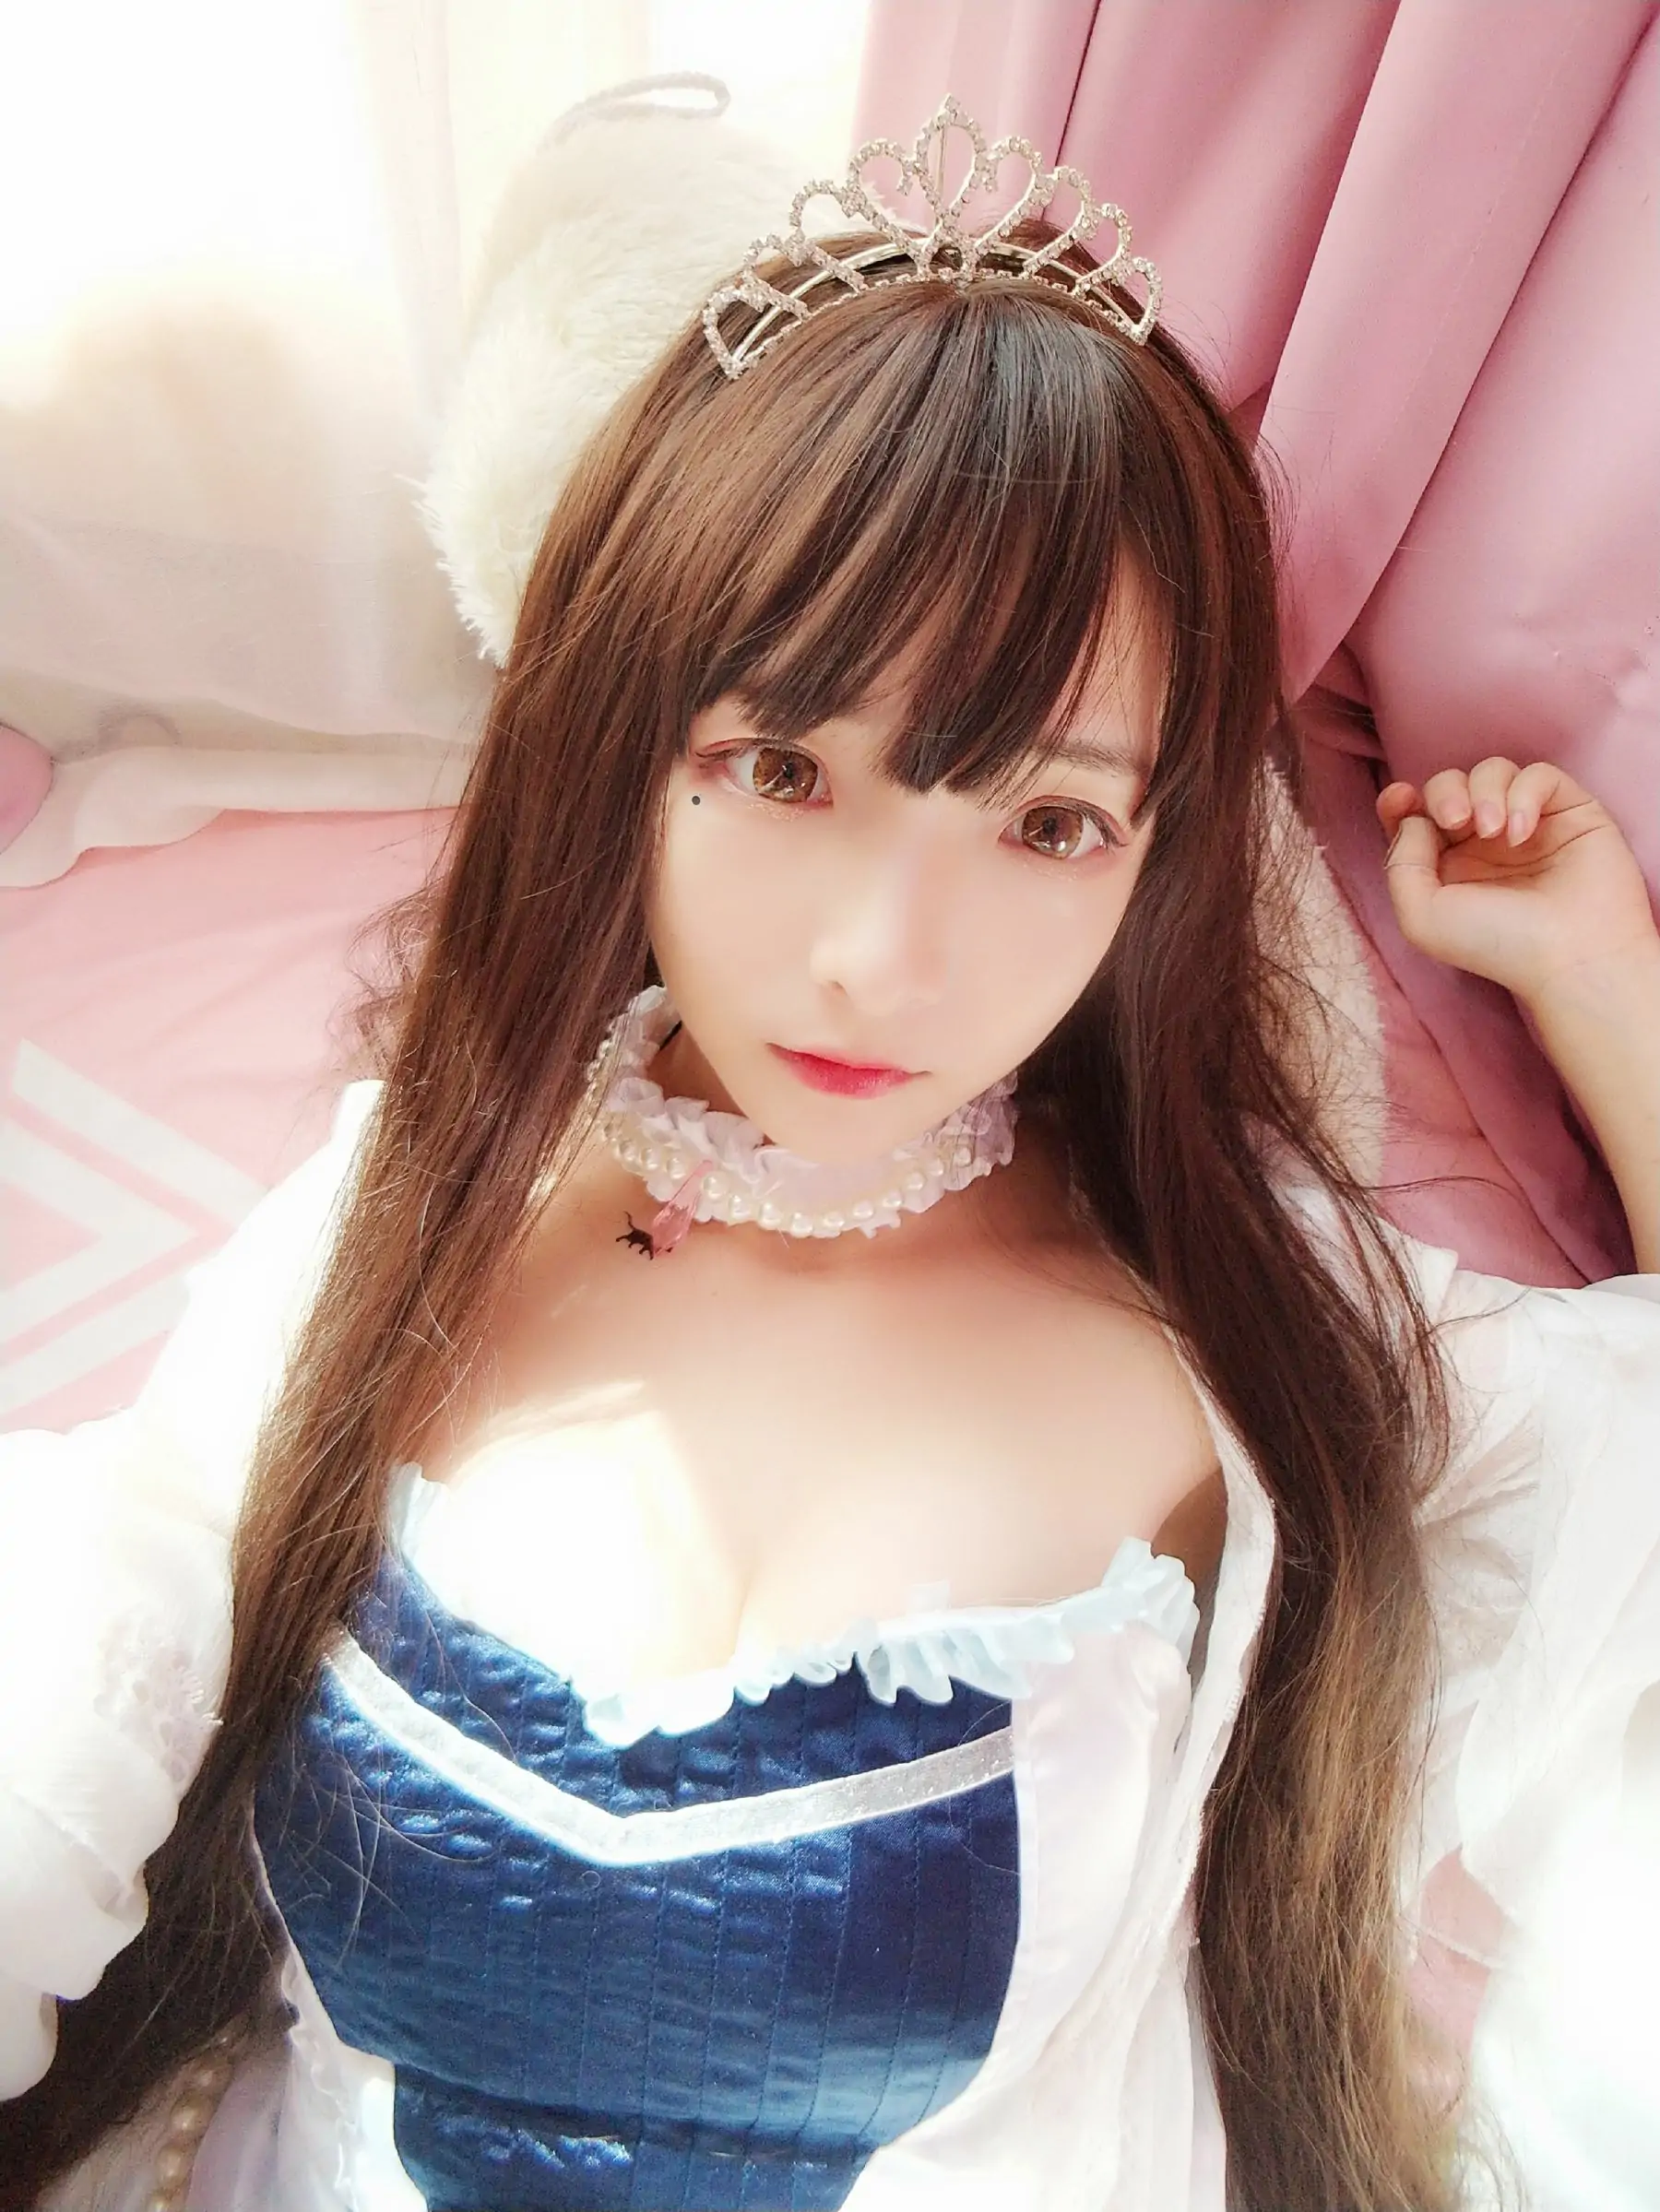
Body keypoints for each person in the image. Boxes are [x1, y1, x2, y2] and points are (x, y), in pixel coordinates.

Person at [3, 98, 1659, 2212]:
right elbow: (69, 1713)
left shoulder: (1241, 1330)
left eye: (1049, 819)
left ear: (1155, 861)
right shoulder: (404, 1211)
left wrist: (1600, 986)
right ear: (627, 746)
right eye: (784, 767)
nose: (887, 954)